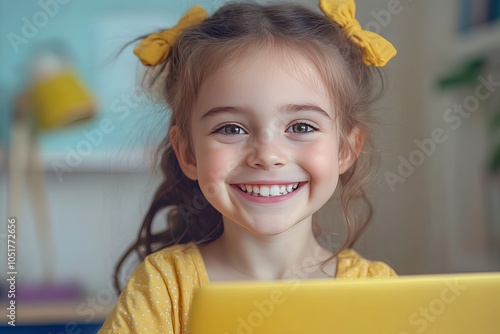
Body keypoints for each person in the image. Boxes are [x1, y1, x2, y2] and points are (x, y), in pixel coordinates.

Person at [99, 0, 397, 332]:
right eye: (231, 128)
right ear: (188, 153)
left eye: (301, 127)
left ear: (345, 149)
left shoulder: (378, 290)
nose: (268, 155)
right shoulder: (164, 288)